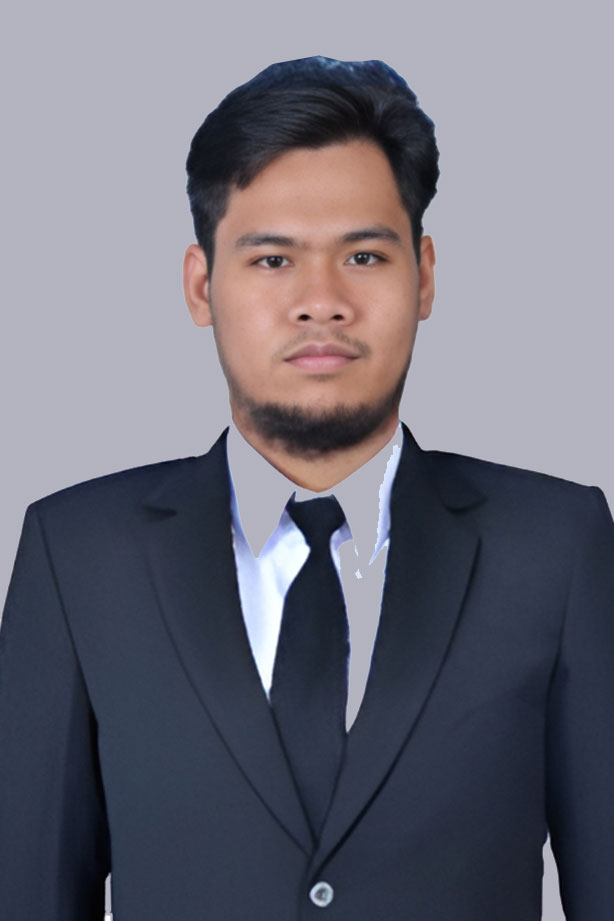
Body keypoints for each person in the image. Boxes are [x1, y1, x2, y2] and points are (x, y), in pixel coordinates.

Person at [0, 55, 613, 921]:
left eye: (363, 254)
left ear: (424, 275)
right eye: (272, 259)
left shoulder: (555, 546)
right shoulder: (79, 556)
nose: (321, 301)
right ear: (201, 284)